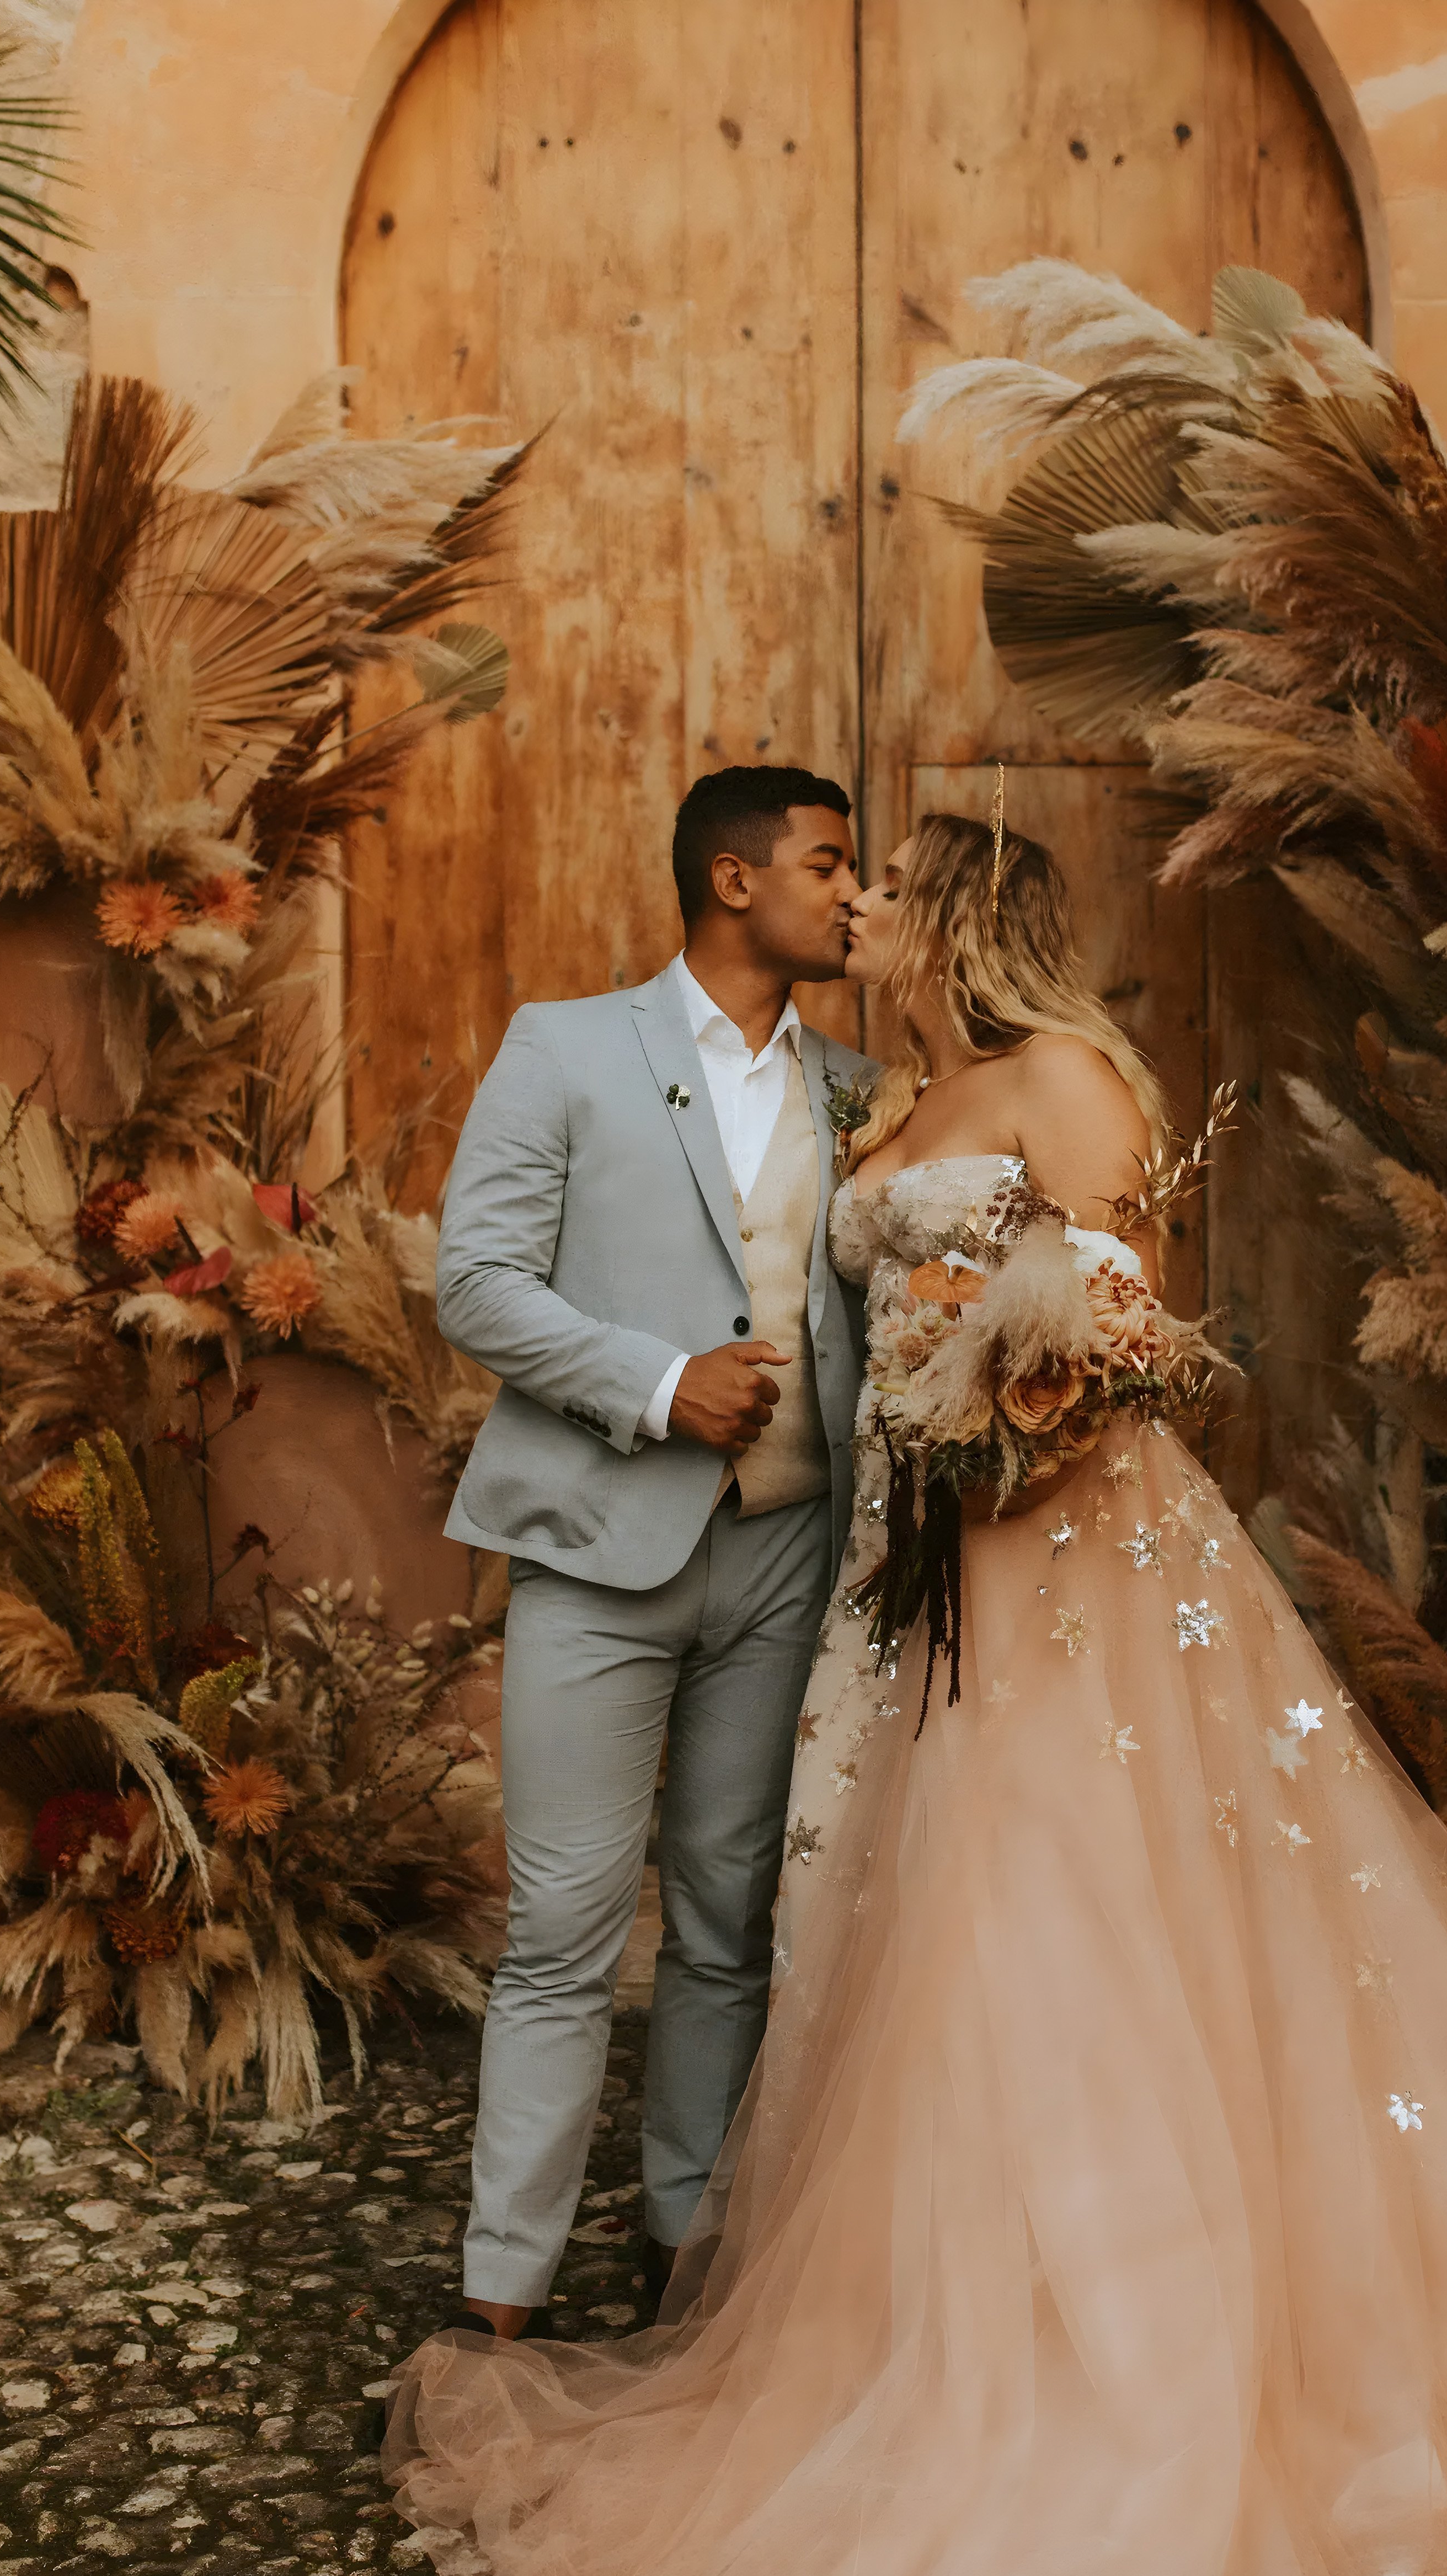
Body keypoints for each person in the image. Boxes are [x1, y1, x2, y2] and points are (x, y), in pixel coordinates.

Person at [391, 812, 1447, 2576]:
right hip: (917, 1588)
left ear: (963, 912)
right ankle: (895, 2304)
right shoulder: (883, 1092)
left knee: (1072, 1924)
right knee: (912, 1941)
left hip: (1068, 1576)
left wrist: (1017, 1422)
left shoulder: (1060, 1078)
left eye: (886, 879)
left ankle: (1124, 2345)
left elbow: (1117, 1329)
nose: (861, 902)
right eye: (836, 869)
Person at [433, 763, 874, 2338]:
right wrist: (651, 1380)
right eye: (830, 864)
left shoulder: (860, 1085)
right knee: (560, 1922)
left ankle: (686, 2230)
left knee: (727, 1907)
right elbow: (473, 1281)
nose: (854, 892)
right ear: (734, 881)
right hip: (596, 1551)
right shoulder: (565, 1048)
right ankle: (504, 2275)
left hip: (785, 1560)